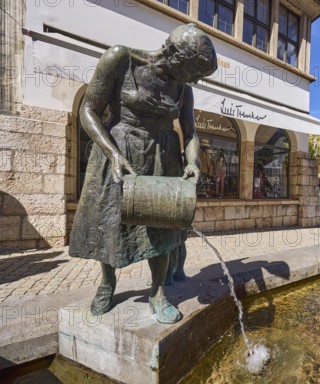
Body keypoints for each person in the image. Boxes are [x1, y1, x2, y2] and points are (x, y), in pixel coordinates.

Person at [69, 23, 218, 324]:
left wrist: (192, 162)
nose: (198, 81)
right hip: (119, 150)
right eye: (196, 72)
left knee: (161, 225)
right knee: (110, 223)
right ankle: (107, 284)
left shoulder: (184, 90)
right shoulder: (120, 59)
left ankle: (157, 292)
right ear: (175, 57)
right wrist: (112, 153)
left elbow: (190, 133)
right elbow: (88, 111)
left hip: (163, 155)